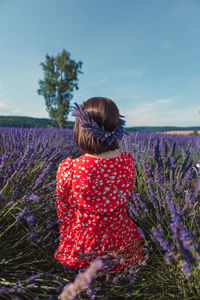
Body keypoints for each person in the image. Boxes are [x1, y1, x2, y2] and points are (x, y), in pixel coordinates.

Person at [54, 97, 143, 275]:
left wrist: (67, 236)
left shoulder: (70, 168)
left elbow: (62, 208)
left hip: (84, 245)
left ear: (82, 130)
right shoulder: (127, 162)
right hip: (123, 241)